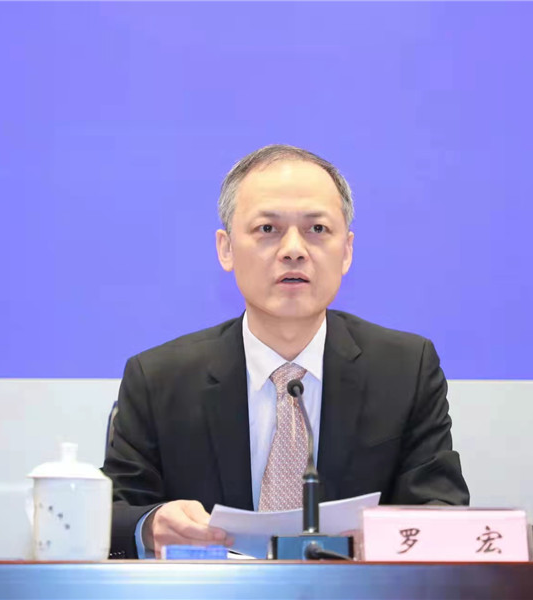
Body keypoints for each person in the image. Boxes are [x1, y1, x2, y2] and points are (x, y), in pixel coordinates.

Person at [102, 145, 469, 558]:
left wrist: (390, 537)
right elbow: (111, 513)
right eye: (267, 229)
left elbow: (441, 507)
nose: (294, 249)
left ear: (346, 250)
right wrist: (151, 524)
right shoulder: (159, 379)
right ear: (226, 249)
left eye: (317, 229)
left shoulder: (405, 369)